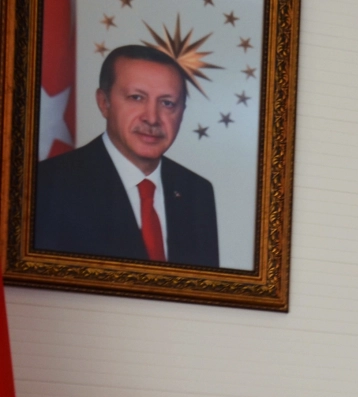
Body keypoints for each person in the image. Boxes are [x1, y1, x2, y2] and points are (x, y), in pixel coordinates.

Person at [34, 45, 219, 267]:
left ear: (182, 112)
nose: (152, 118)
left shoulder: (196, 192)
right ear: (104, 103)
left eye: (167, 103)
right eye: (136, 97)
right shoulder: (48, 185)